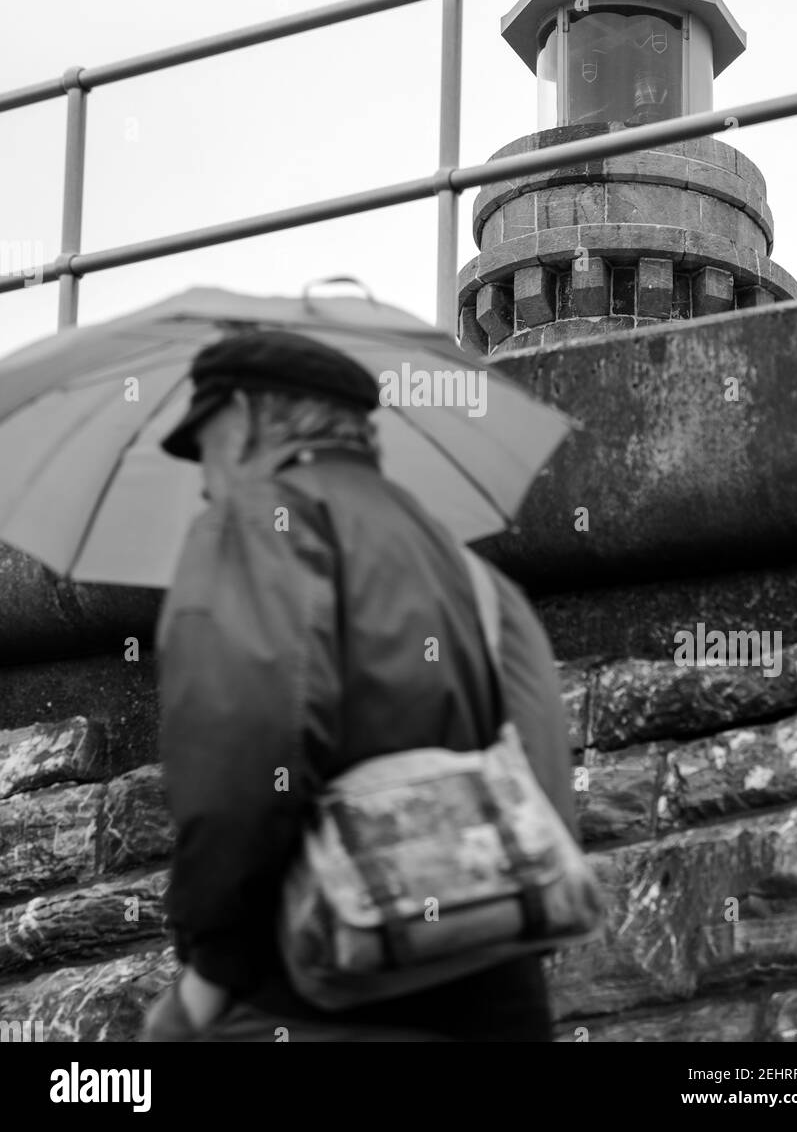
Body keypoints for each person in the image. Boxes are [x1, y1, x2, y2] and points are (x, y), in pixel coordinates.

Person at [141, 329, 578, 1043]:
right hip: (501, 993)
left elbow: (243, 758)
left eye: (205, 441)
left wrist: (211, 975)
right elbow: (545, 775)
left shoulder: (255, 523)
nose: (202, 476)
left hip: (321, 987)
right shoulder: (471, 573)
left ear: (248, 417)